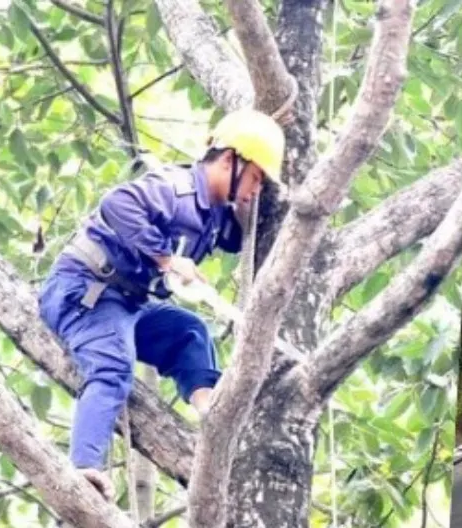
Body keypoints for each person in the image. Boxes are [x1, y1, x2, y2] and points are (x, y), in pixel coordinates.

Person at [38, 108, 286, 499]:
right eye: (254, 178)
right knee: (113, 369)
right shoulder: (175, 188)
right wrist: (166, 259)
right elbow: (118, 206)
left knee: (189, 331)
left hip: (127, 304)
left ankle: (210, 410)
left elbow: (238, 241)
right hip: (86, 290)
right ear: (227, 161)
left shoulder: (215, 214)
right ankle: (84, 467)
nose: (255, 190)